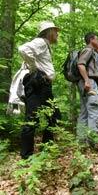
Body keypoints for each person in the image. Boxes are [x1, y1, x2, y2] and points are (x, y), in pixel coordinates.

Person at [18, 21, 61, 159]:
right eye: (55, 31)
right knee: (32, 118)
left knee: (52, 115)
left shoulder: (45, 45)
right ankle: (26, 156)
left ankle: (46, 149)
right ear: (49, 32)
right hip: (38, 84)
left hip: (43, 85)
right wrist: (35, 69)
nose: (57, 34)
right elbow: (23, 49)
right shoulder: (41, 42)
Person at [77, 32, 98, 143]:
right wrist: (87, 81)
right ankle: (93, 140)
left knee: (84, 111)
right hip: (89, 81)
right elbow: (80, 64)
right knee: (94, 109)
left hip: (84, 82)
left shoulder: (90, 52)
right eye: (97, 39)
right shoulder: (88, 50)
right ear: (92, 39)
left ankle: (82, 141)